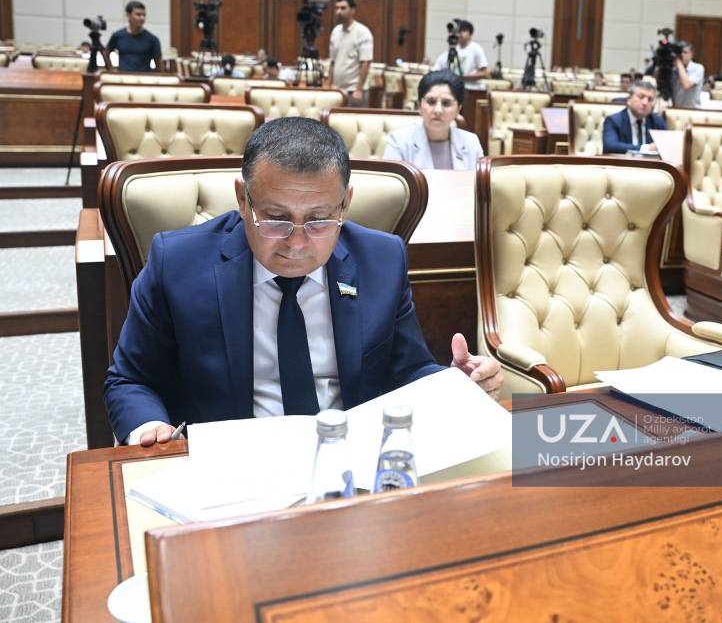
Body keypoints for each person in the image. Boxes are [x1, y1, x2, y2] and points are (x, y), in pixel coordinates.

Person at [104, 117, 503, 446]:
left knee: (518, 480)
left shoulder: (382, 259)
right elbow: (130, 379)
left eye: (318, 220)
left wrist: (452, 385)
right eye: (276, 219)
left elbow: (406, 370)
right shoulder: (178, 262)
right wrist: (148, 427)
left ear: (345, 204)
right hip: (233, 467)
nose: (296, 244)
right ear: (243, 199)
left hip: (350, 459)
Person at [383, 70, 483, 171]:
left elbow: (479, 181)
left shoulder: (471, 142)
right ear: (419, 106)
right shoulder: (399, 142)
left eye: (446, 103)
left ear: (458, 109)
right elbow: (390, 180)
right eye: (431, 102)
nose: (438, 110)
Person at [328, 0, 373, 106]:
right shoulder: (335, 31)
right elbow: (332, 62)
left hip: (355, 91)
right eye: (337, 8)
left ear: (352, 10)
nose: (339, 11)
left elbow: (365, 63)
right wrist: (329, 85)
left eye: (343, 8)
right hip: (338, 90)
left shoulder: (363, 32)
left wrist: (358, 89)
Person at [602, 81, 667, 154]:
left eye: (650, 99)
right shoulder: (614, 121)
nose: (645, 102)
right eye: (641, 97)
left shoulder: (657, 121)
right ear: (629, 99)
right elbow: (609, 146)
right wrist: (645, 148)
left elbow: (667, 146)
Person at [104, 0, 162, 72]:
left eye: (144, 15)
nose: (142, 18)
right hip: (123, 76)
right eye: (138, 14)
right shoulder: (118, 36)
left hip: (144, 77)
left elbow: (159, 65)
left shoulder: (153, 39)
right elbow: (106, 53)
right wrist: (111, 70)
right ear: (128, 16)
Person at [433, 20, 488, 91]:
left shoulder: (476, 48)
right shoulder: (454, 48)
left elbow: (485, 73)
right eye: (459, 31)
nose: (461, 33)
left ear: (470, 34)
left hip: (473, 89)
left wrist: (463, 77)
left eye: (464, 31)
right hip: (457, 88)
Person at [671, 41, 704, 108]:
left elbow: (686, 85)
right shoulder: (674, 69)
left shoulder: (698, 68)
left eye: (685, 52)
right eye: (680, 53)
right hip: (676, 110)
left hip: (692, 110)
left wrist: (679, 64)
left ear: (692, 54)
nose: (682, 55)